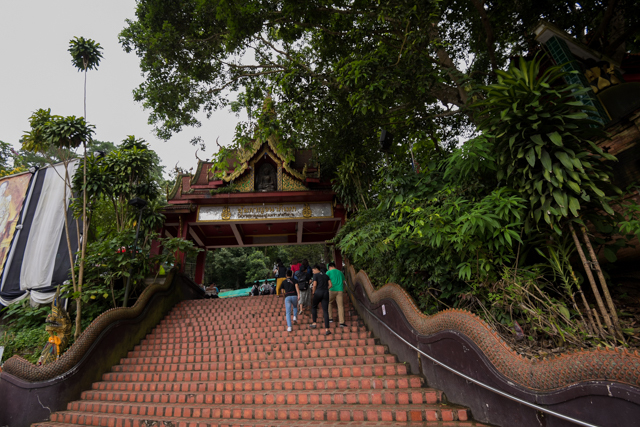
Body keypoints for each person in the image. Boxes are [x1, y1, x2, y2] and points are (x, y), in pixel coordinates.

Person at [308, 263, 332, 335]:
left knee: (314, 306)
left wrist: (313, 292)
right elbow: (330, 285)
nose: (313, 272)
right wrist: (325, 289)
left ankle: (314, 323)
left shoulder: (316, 275)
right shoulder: (326, 275)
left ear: (316, 269)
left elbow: (314, 285)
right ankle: (327, 329)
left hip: (318, 292)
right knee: (325, 311)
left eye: (313, 270)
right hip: (325, 293)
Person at [326, 262, 347, 327]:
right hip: (340, 290)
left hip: (331, 290)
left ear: (329, 267)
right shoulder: (340, 272)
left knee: (329, 302)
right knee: (340, 306)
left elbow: (326, 281)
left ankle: (330, 318)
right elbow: (344, 281)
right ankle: (341, 322)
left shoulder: (328, 272)